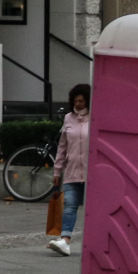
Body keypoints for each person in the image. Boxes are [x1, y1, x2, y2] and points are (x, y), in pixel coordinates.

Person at [49, 83, 91, 256]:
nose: (78, 104)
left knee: (94, 211)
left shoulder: (96, 118)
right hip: (72, 172)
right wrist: (57, 171)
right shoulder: (68, 118)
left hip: (92, 175)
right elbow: (62, 147)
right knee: (69, 206)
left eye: (81, 101)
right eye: (75, 101)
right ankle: (65, 240)